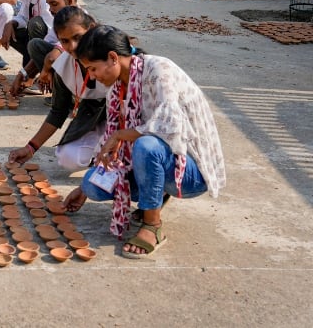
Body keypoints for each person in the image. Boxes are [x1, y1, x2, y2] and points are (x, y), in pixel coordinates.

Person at [63, 25, 226, 258]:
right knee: (92, 186)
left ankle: (152, 225)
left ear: (112, 58)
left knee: (146, 145)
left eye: (93, 69)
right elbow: (114, 147)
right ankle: (157, 194)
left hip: (190, 171)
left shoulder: (160, 70)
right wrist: (83, 190)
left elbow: (169, 127)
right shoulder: (116, 89)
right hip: (157, 161)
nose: (94, 76)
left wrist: (121, 135)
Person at [8, 7, 107, 170]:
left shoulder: (111, 59)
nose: (73, 46)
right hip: (93, 115)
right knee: (67, 158)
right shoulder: (64, 65)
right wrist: (31, 148)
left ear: (90, 29)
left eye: (77, 37)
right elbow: (58, 111)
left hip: (126, 117)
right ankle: (99, 149)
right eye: (65, 41)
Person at [9, 0, 78, 99]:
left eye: (54, 4)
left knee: (52, 56)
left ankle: (69, 97)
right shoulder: (60, 21)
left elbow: (52, 57)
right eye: (49, 5)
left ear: (69, 1)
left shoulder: (78, 22)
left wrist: (45, 72)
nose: (50, 10)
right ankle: (60, 91)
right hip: (70, 68)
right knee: (35, 45)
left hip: (86, 76)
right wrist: (22, 74)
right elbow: (44, 47)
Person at [0, 0, 54, 68]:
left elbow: (53, 34)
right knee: (10, 29)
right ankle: (34, 66)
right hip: (39, 39)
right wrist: (11, 23)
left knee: (34, 25)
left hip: (55, 44)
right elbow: (23, 17)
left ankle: (43, 67)